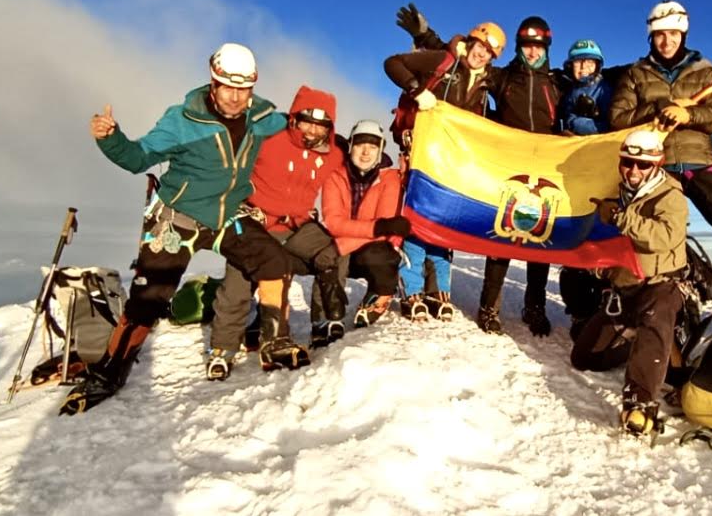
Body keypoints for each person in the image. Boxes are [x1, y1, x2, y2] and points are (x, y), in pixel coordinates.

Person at [62, 43, 289, 414]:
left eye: (243, 89)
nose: (235, 97)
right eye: (227, 88)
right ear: (213, 83)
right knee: (148, 300)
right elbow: (138, 158)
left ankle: (274, 341)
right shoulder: (181, 121)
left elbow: (294, 124)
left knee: (273, 261)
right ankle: (108, 374)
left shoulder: (261, 116)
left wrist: (326, 132)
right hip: (176, 219)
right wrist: (110, 138)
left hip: (225, 216)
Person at [395, 5, 559, 336]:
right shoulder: (502, 77)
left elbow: (594, 83)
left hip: (544, 167)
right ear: (519, 49)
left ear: (546, 50)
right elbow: (466, 60)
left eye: (538, 47)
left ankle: (535, 306)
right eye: (527, 46)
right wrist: (425, 37)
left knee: (541, 236)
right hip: (508, 166)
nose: (532, 52)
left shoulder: (557, 84)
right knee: (504, 233)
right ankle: (489, 308)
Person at [609, 0, 712, 325]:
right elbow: (618, 117)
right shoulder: (636, 74)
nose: (666, 41)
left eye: (673, 34)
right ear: (651, 37)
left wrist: (688, 114)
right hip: (655, 167)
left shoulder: (704, 72)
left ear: (683, 34)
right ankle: (636, 305)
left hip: (699, 163)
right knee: (644, 234)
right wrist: (659, 107)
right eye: (659, 34)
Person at [206, 86, 348, 380]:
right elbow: (228, 153)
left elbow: (362, 165)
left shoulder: (334, 154)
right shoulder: (268, 136)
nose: (312, 130)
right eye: (306, 121)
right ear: (294, 118)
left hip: (296, 226)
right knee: (238, 281)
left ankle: (323, 322)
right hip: (255, 222)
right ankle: (223, 348)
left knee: (335, 251)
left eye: (321, 125)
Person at [384, 21, 506, 322]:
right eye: (480, 46)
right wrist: (416, 90)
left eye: (489, 53)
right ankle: (411, 288)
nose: (481, 54)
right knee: (417, 217)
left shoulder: (485, 84)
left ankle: (437, 289)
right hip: (420, 152)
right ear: (471, 42)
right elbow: (393, 63)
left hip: (450, 161)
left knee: (443, 220)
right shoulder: (444, 60)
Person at [574, 130, 688, 439]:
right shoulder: (615, 194)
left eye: (643, 164)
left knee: (655, 318)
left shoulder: (670, 195)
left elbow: (665, 237)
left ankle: (640, 402)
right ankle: (638, 344)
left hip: (659, 285)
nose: (634, 170)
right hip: (623, 289)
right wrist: (600, 268)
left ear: (656, 165)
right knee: (584, 357)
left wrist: (621, 218)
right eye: (627, 163)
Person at [321, 120, 409, 327]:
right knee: (324, 258)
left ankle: (383, 291)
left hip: (365, 248)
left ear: (381, 150)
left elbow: (385, 228)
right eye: (360, 145)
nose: (366, 152)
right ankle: (327, 317)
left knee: (378, 255)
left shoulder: (390, 178)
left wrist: (342, 244)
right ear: (351, 146)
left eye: (373, 147)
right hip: (345, 249)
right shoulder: (334, 176)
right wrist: (375, 227)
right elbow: (333, 223)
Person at [558, 39, 614, 136]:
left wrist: (576, 124)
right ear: (571, 66)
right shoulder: (568, 90)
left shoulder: (603, 90)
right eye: (578, 61)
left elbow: (610, 125)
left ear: (597, 66)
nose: (583, 66)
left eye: (590, 62)